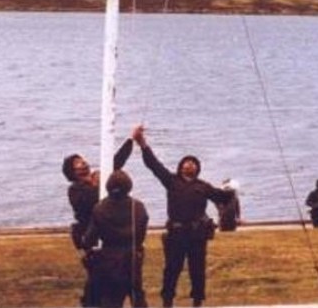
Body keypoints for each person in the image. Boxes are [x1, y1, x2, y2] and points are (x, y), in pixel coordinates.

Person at [133, 126, 233, 308]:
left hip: (197, 236)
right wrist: (142, 144)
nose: (189, 164)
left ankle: (197, 303)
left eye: (193, 162)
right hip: (176, 235)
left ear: (197, 168)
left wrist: (232, 189)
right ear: (180, 167)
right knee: (171, 270)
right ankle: (167, 302)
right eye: (185, 162)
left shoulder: (203, 186)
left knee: (198, 271)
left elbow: (222, 197)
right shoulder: (171, 181)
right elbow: (153, 165)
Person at [62, 131, 135, 307]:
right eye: (77, 163)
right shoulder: (75, 190)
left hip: (110, 239)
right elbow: (88, 204)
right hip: (93, 242)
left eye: (82, 160)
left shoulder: (99, 178)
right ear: (72, 171)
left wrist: (131, 140)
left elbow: (116, 163)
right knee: (97, 283)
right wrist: (97, 185)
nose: (83, 163)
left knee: (115, 283)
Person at [81, 170, 149, 308]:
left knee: (111, 298)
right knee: (137, 296)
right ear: (129, 186)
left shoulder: (100, 208)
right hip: (132, 258)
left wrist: (84, 243)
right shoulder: (138, 206)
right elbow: (141, 232)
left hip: (109, 258)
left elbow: (90, 237)